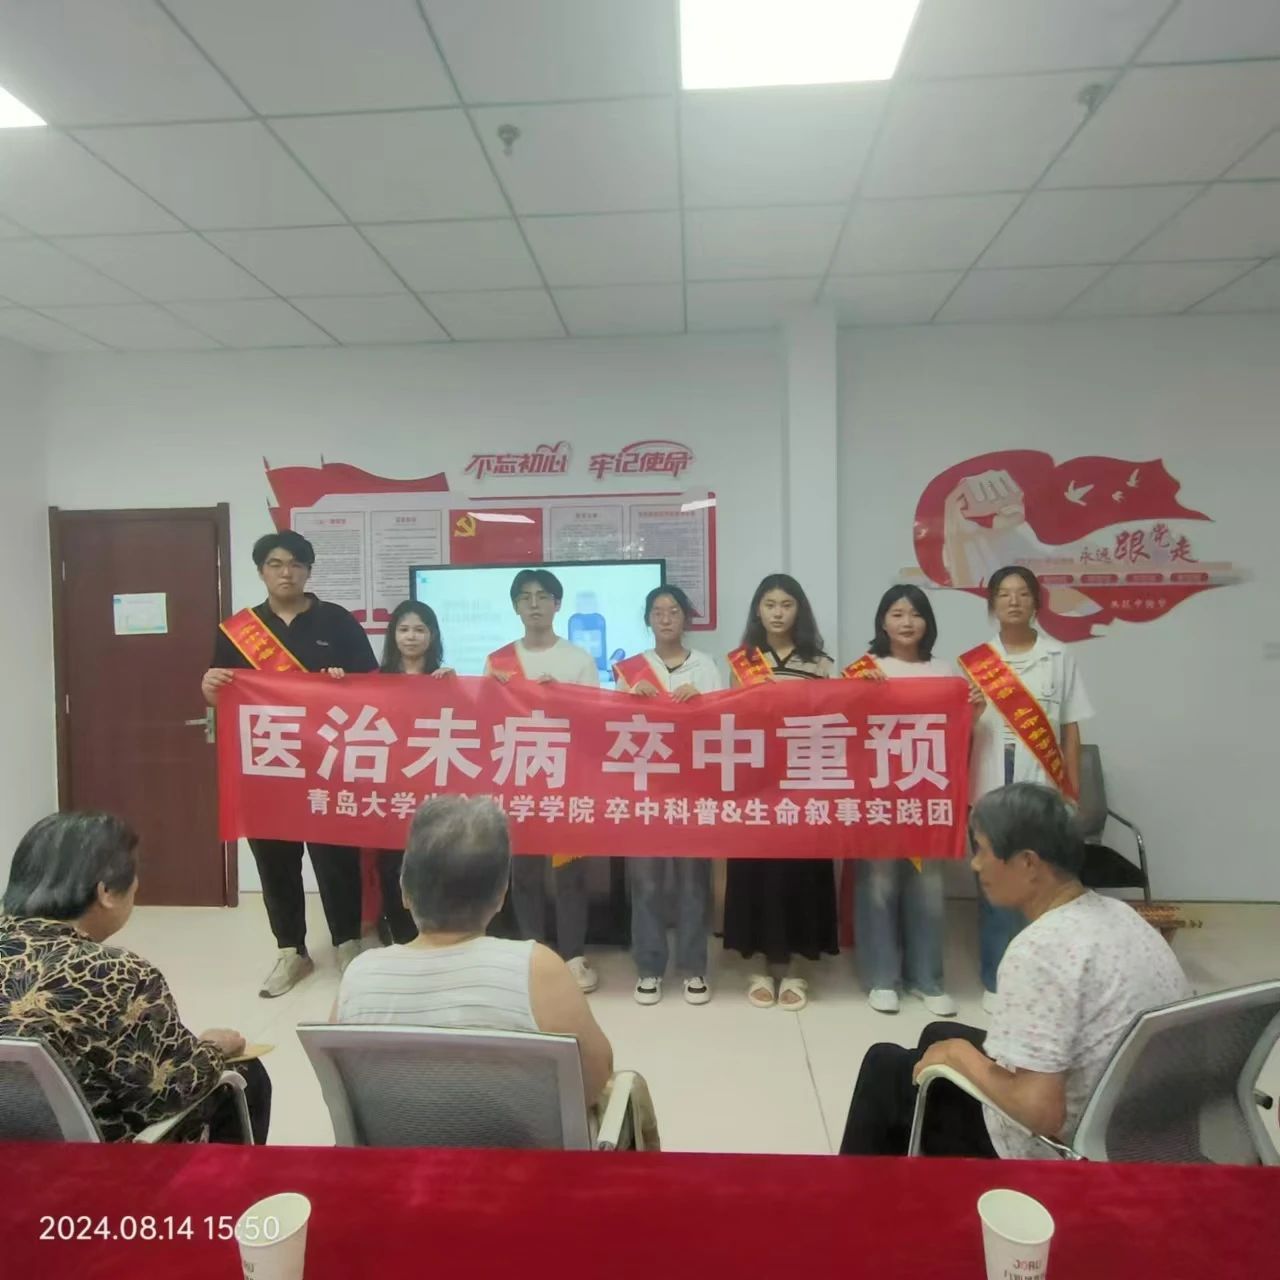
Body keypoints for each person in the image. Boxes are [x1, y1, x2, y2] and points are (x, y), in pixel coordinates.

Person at [839, 783, 1189, 1158]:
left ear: (1027, 863)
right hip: (1131, 1124)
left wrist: (960, 1056)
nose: (975, 865)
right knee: (937, 1034)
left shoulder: (1038, 950)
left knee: (886, 1068)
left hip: (1056, 1149)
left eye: (982, 850)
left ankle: (850, 1191)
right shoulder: (1123, 916)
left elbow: (1041, 1113)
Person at [0, 812, 271, 1144]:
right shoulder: (115, 974)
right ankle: (223, 1178)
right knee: (246, 1074)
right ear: (106, 892)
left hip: (12, 1158)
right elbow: (164, 1096)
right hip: (93, 1163)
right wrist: (213, 1049)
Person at [336, 795, 613, 1106]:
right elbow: (595, 1079)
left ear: (404, 890)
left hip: (398, 1138)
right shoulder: (536, 970)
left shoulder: (358, 977)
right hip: (514, 1138)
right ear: (501, 895)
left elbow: (346, 1095)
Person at [202, 530, 378, 998]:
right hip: (267, 766)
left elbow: (374, 686)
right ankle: (291, 951)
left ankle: (347, 943)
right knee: (275, 861)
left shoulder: (337, 621)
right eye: (276, 564)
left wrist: (345, 684)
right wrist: (209, 690)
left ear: (308, 571)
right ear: (261, 571)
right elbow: (223, 696)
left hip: (327, 761)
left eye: (296, 564)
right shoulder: (237, 631)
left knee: (336, 858)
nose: (287, 572)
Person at [960, 565, 1094, 1012]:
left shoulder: (1059, 657)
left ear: (1036, 602)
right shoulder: (975, 662)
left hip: (1042, 783)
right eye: (1004, 594)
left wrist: (1071, 791)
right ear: (992, 604)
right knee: (996, 883)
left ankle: (1041, 980)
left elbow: (1070, 729)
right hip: (991, 780)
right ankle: (998, 980)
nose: (1013, 601)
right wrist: (971, 714)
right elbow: (958, 733)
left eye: (1022, 593)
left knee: (1042, 885)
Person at [851, 585, 984, 1017]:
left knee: (928, 887)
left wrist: (973, 713)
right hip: (878, 796)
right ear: (882, 622)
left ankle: (927, 979)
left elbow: (956, 737)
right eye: (897, 613)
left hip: (927, 799)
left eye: (915, 614)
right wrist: (858, 692)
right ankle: (882, 978)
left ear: (928, 622)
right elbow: (843, 730)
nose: (907, 622)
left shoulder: (944, 671)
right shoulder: (865, 669)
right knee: (879, 884)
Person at [723, 573, 838, 1010]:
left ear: (799, 610)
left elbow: (834, 719)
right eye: (769, 604)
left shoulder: (820, 662)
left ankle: (797, 969)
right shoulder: (741, 662)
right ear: (758, 610)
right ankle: (756, 963)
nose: (777, 613)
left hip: (804, 780)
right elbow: (728, 718)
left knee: (800, 871)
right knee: (756, 870)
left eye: (786, 605)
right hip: (754, 780)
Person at [484, 569, 601, 994]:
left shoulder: (578, 659)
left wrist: (561, 698)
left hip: (566, 778)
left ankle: (573, 955)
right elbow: (485, 722)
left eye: (543, 596)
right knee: (525, 872)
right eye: (525, 597)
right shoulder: (497, 661)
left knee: (570, 873)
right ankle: (532, 952)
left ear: (557, 604)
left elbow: (594, 721)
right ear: (515, 606)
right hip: (518, 777)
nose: (534, 604)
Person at [613, 585, 721, 1006]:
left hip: (693, 789)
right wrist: (630, 700)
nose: (665, 618)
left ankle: (694, 968)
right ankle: (649, 968)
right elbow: (609, 728)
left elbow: (725, 723)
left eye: (673, 610)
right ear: (647, 619)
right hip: (646, 790)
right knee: (646, 882)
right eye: (657, 611)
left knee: (694, 881)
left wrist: (702, 702)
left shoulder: (706, 666)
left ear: (685, 618)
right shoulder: (630, 670)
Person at [372, 600, 454, 946]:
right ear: (393, 635)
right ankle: (401, 935)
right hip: (388, 788)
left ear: (432, 636)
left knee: (433, 860)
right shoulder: (374, 681)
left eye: (419, 629)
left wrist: (455, 687)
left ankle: (436, 932)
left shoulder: (445, 678)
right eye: (403, 629)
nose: (411, 636)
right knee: (391, 864)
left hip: (431, 789)